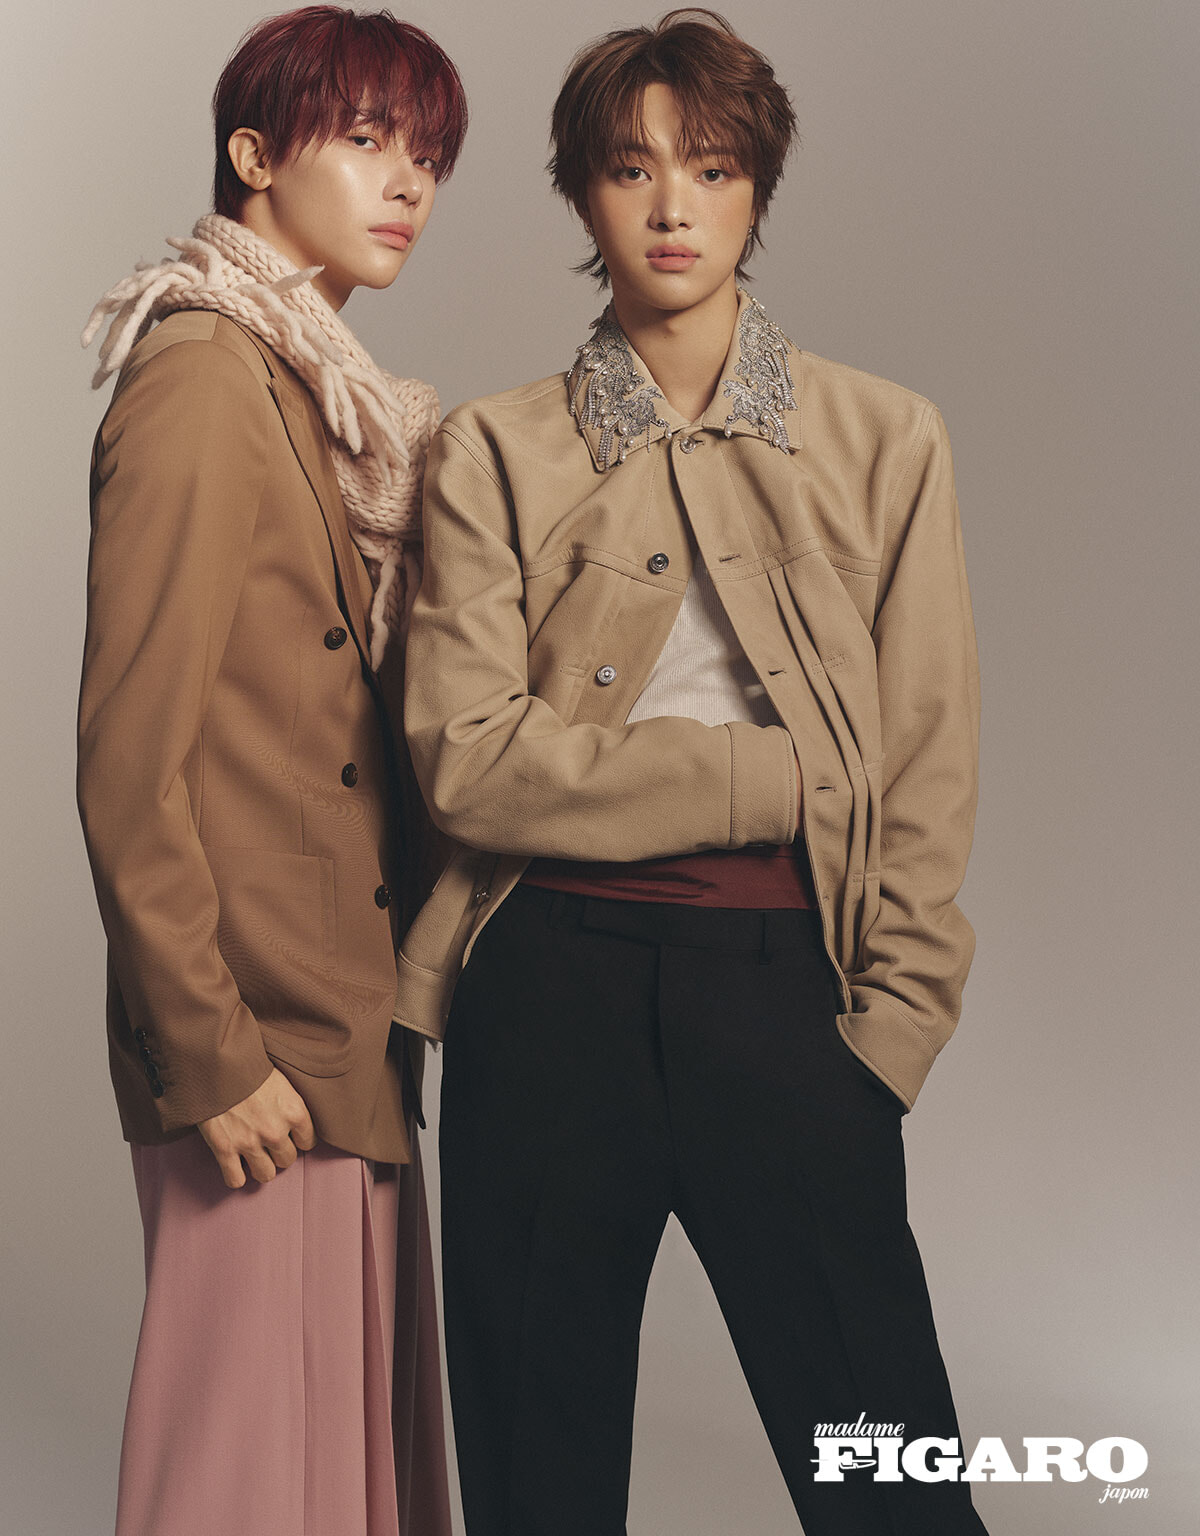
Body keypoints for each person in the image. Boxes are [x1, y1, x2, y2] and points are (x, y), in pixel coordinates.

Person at [396, 7, 987, 1535]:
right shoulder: (493, 452)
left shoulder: (886, 440)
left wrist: (896, 1029)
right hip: (543, 992)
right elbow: (469, 763)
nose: (673, 206)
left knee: (890, 1480)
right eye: (632, 168)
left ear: (757, 189)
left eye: (712, 169)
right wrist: (761, 781)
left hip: (788, 997)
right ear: (582, 195)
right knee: (539, 1488)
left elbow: (926, 758)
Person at [76, 8, 465, 1534]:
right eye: (366, 140)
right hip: (257, 1045)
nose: (407, 183)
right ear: (253, 154)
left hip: (340, 1031)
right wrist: (212, 1053)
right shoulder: (201, 373)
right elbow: (131, 760)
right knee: (239, 1483)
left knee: (336, 1480)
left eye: (426, 155)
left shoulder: (315, 393)